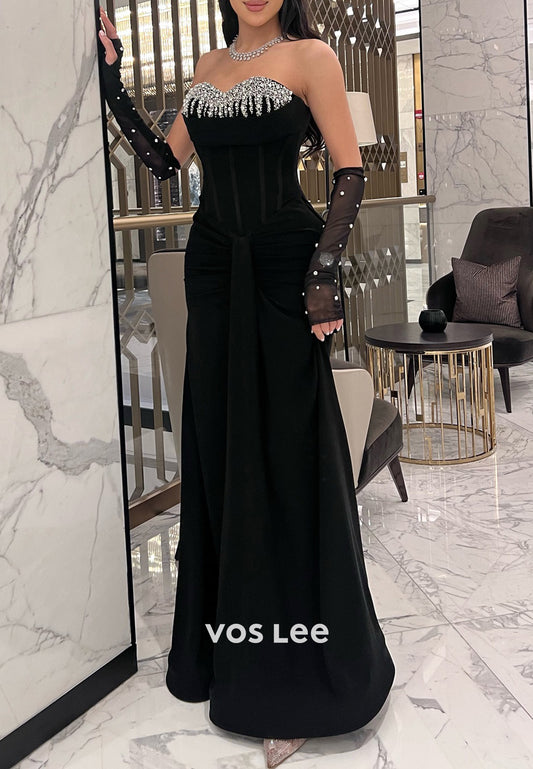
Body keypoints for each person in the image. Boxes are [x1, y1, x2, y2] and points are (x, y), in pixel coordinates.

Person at [98, 2, 395, 766]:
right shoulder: (206, 68)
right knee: (221, 447)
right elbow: (163, 164)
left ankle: (294, 679)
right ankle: (225, 653)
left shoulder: (311, 58)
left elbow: (349, 172)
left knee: (288, 456)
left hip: (283, 267)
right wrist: (112, 83)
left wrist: (323, 277)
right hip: (211, 268)